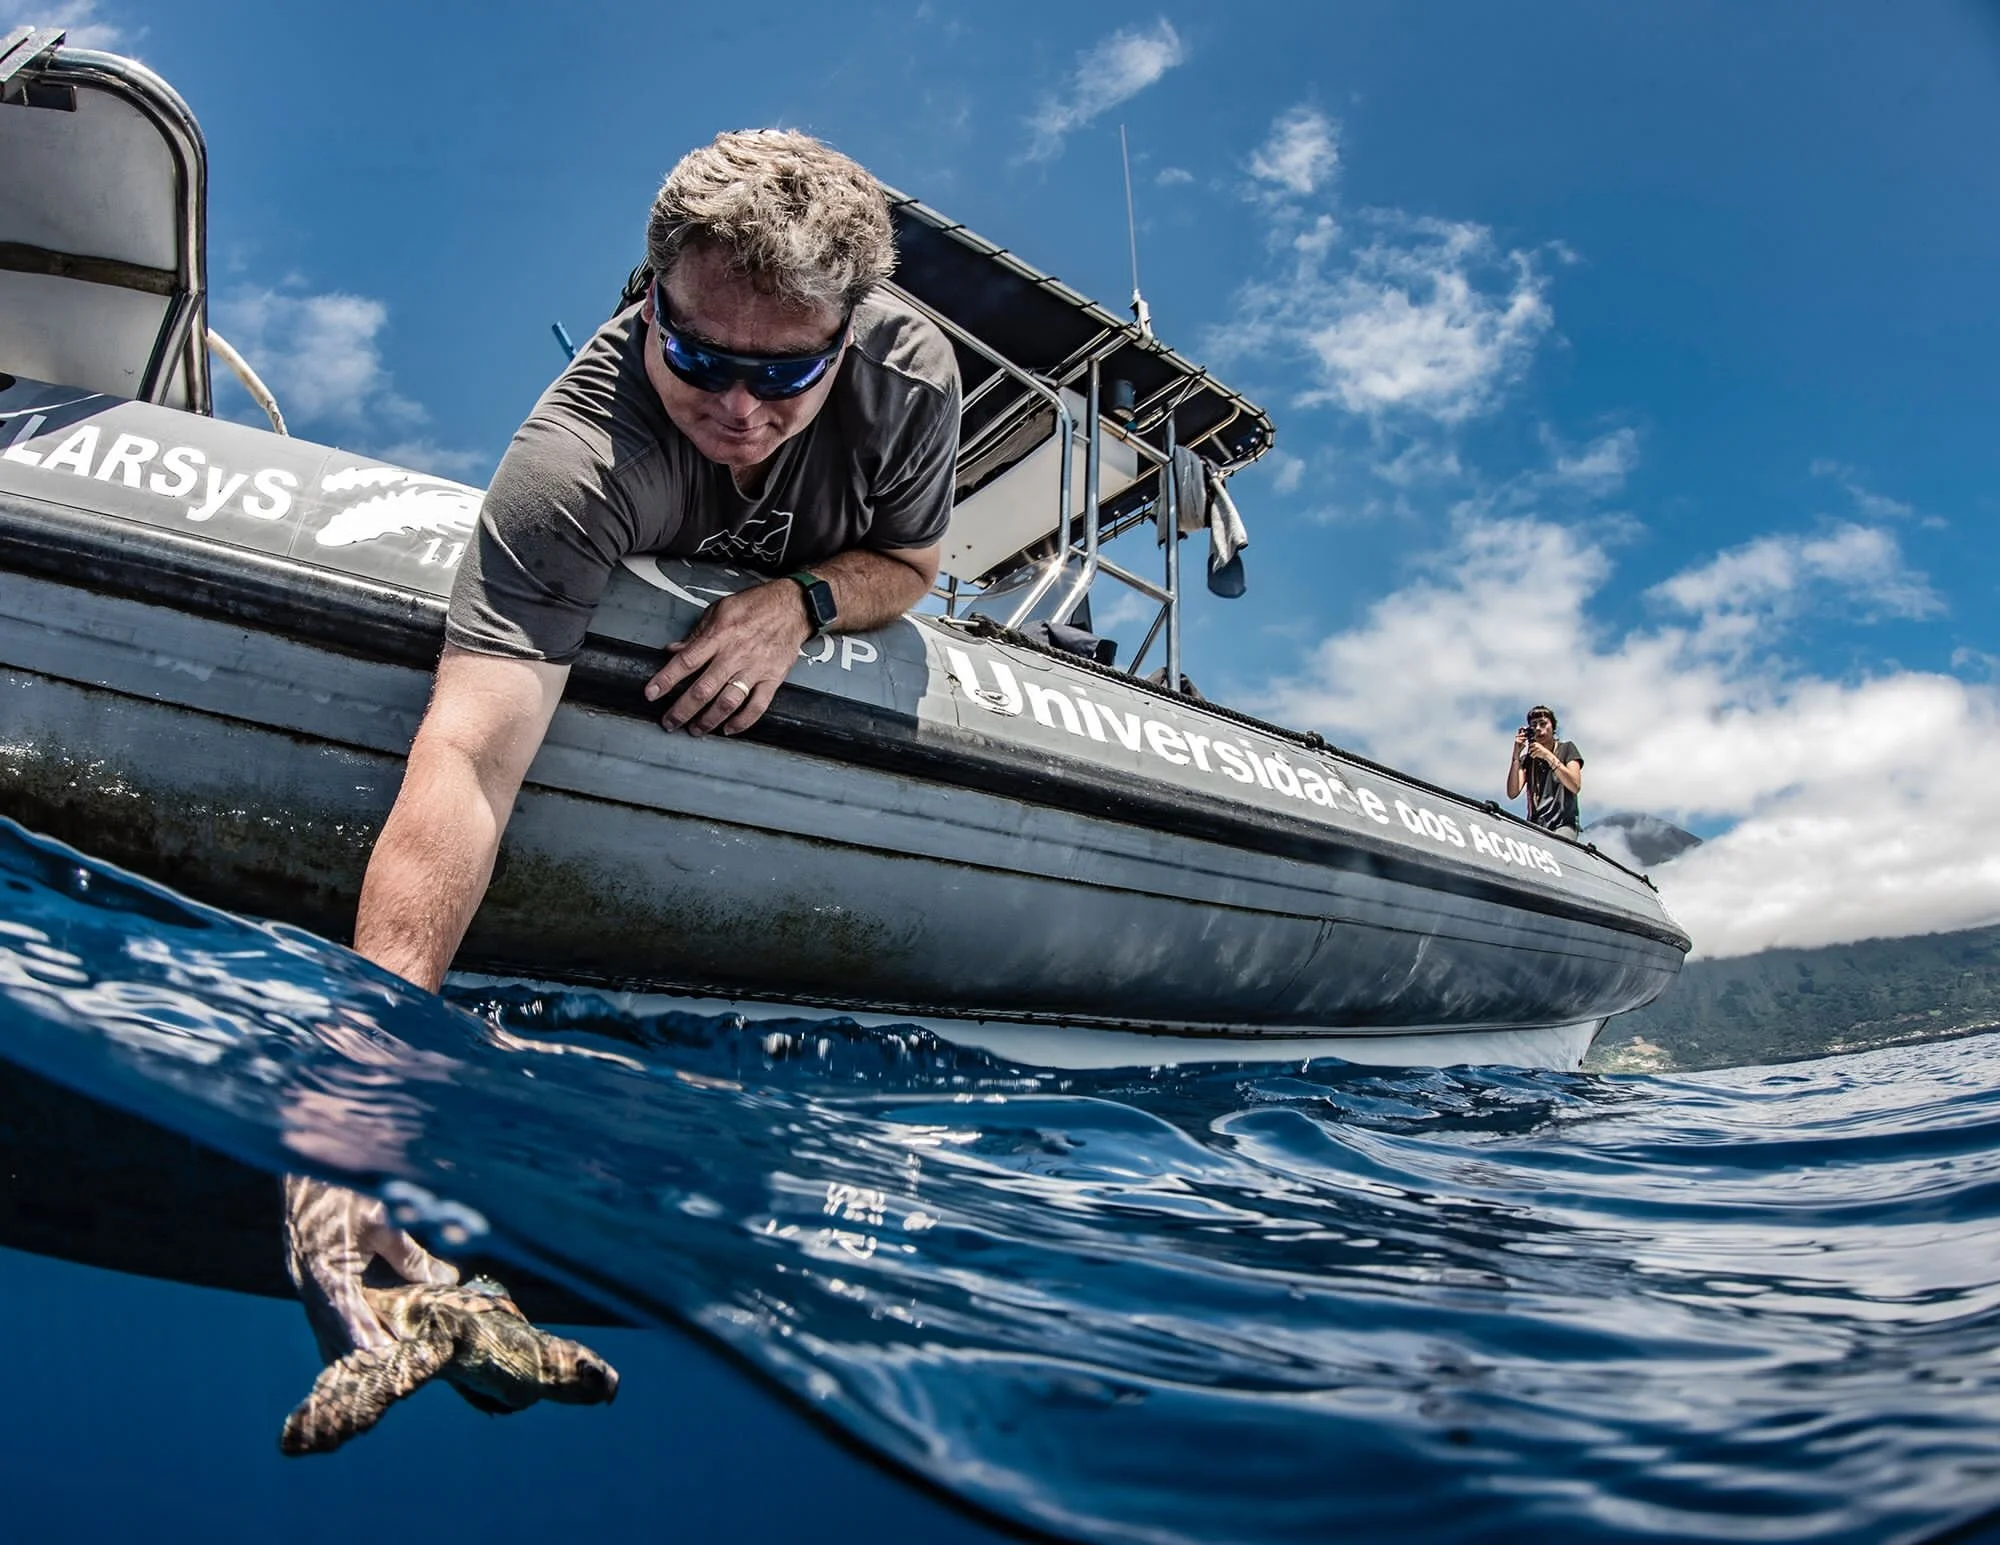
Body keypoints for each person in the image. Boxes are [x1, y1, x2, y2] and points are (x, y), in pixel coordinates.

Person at [286, 129, 962, 1360]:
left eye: (787, 375)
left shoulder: (913, 377)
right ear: (651, 301)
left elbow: (912, 565)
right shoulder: (573, 468)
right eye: (698, 358)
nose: (741, 411)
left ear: (848, 336)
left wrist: (796, 602)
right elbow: (472, 756)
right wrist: (356, 1091)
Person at [1506, 704, 1584, 840]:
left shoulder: (1567, 749)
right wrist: (1516, 756)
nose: (1538, 729)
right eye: (1534, 725)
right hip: (1535, 825)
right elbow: (1513, 792)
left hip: (1563, 824)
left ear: (1553, 727)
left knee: (1559, 846)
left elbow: (1575, 785)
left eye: (1543, 724)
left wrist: (1547, 755)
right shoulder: (1529, 760)